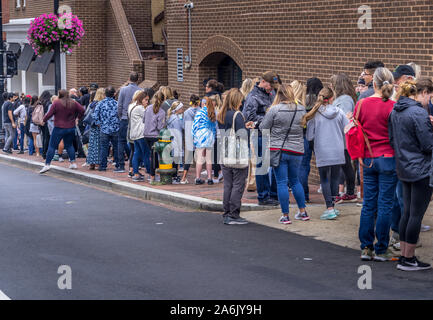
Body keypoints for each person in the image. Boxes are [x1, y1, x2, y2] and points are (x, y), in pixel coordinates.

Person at [389, 79, 433, 271]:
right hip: (421, 168)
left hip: (404, 165)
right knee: (416, 214)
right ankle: (409, 258)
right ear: (422, 93)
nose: (429, 101)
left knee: (407, 212)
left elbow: (392, 139)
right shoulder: (418, 113)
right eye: (429, 96)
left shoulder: (395, 111)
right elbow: (428, 145)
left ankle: (405, 256)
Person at [355, 67, 398, 262]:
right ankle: (381, 248)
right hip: (389, 157)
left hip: (368, 157)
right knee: (385, 204)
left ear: (374, 83)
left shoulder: (362, 104)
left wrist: (358, 155)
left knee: (368, 204)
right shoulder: (393, 106)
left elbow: (355, 131)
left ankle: (366, 247)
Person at [260, 85, 308, 224]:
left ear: (278, 94)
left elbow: (263, 127)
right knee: (295, 181)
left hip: (278, 149)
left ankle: (285, 215)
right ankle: (302, 212)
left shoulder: (275, 109)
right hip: (297, 149)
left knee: (281, 182)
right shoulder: (301, 109)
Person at [304, 87, 348, 220]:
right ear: (332, 98)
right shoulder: (339, 111)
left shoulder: (314, 114)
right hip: (338, 148)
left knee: (324, 179)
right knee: (335, 177)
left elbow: (309, 136)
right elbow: (347, 129)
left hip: (322, 149)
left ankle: (329, 208)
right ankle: (333, 206)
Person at [243, 71, 279, 206]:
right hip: (260, 135)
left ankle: (274, 195)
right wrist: (270, 118)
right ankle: (263, 196)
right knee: (262, 166)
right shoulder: (253, 97)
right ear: (263, 82)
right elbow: (249, 118)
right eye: (270, 85)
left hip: (273, 134)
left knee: (275, 163)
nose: (272, 88)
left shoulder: (272, 94)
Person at [217, 88, 249, 225]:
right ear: (237, 100)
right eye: (241, 100)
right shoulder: (237, 115)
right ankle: (234, 214)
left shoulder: (221, 114)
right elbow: (242, 135)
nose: (242, 103)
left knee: (228, 185)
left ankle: (226, 213)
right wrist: (249, 128)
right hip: (236, 154)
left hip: (224, 152)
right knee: (238, 184)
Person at [39, 90, 85, 174]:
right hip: (70, 127)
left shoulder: (56, 103)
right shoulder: (73, 102)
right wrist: (77, 118)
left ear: (59, 95)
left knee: (52, 145)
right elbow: (82, 110)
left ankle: (47, 164)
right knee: (69, 145)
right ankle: (73, 163)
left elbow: (49, 114)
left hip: (59, 127)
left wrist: (44, 120)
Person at [330, 74, 358, 204]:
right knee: (346, 166)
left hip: (341, 139)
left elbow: (344, 120)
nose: (331, 86)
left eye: (332, 84)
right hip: (340, 139)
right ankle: (350, 192)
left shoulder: (345, 100)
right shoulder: (342, 98)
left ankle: (348, 193)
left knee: (343, 167)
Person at [299, 77, 323, 202]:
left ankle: (304, 195)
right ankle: (328, 191)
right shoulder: (321, 102)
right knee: (323, 164)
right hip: (319, 135)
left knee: (303, 165)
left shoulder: (303, 100)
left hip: (305, 136)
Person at [117, 72, 140, 173]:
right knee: (135, 143)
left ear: (129, 78)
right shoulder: (140, 91)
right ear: (137, 79)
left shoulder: (123, 90)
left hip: (125, 118)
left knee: (121, 141)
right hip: (135, 119)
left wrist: (120, 116)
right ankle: (135, 164)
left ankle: (121, 165)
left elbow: (119, 105)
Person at [93, 86, 120, 172]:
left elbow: (95, 116)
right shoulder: (117, 103)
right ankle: (118, 165)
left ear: (105, 94)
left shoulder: (100, 104)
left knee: (104, 148)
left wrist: (99, 124)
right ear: (114, 94)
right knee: (116, 147)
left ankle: (103, 166)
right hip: (115, 128)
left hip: (104, 129)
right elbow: (120, 115)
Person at [192, 96, 217, 185]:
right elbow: (215, 127)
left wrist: (193, 136)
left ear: (203, 103)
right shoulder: (213, 112)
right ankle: (210, 178)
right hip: (210, 136)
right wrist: (213, 137)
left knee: (200, 158)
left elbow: (195, 126)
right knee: (209, 158)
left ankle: (198, 178)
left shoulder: (200, 112)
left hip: (201, 136)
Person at [143, 90, 166, 183]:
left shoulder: (148, 108)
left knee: (151, 155)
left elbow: (143, 120)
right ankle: (153, 175)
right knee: (155, 156)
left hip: (146, 135)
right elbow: (160, 127)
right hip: (155, 136)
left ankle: (152, 174)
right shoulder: (161, 112)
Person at [128, 89, 152, 182]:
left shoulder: (131, 106)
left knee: (136, 154)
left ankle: (136, 173)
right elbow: (148, 118)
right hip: (141, 134)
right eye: (146, 100)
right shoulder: (140, 108)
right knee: (146, 153)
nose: (147, 102)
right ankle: (150, 173)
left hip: (134, 133)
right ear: (141, 99)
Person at [181, 94, 201, 184]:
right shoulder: (201, 112)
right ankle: (198, 177)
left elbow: (183, 125)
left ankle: (183, 177)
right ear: (198, 102)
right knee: (200, 157)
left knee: (189, 158)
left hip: (189, 136)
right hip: (199, 136)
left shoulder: (186, 112)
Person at [85, 88, 105, 170]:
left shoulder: (92, 104)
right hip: (99, 126)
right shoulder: (101, 104)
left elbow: (86, 113)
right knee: (99, 144)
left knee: (92, 144)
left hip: (92, 127)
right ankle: (97, 162)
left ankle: (91, 163)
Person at [38, 91, 53, 159]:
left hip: (41, 122)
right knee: (47, 137)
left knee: (44, 137)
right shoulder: (48, 103)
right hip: (46, 122)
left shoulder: (40, 102)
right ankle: (45, 153)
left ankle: (43, 152)